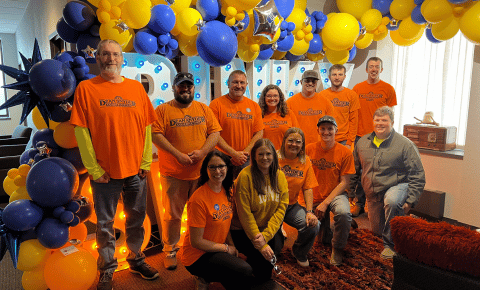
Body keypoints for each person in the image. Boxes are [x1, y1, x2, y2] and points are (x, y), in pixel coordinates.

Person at [70, 39, 159, 290]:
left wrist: (145, 161)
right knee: (105, 224)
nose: (111, 58)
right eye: (105, 54)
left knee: (136, 219)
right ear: (97, 58)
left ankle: (136, 259)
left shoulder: (136, 89)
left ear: (122, 59)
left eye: (115, 54)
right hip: (105, 173)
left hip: (136, 172)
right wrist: (94, 169)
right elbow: (81, 132)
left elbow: (147, 127)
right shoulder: (86, 89)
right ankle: (107, 268)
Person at [151, 72, 221, 270]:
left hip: (201, 175)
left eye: (189, 85)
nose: (185, 89)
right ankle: (170, 250)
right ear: (174, 88)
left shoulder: (203, 109)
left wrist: (203, 152)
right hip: (174, 174)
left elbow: (215, 133)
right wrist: (177, 155)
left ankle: (196, 245)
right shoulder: (163, 110)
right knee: (173, 215)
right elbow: (155, 135)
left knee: (200, 215)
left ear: (193, 88)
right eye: (181, 85)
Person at [349, 106, 425, 259]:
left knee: (391, 201)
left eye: (384, 120)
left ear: (392, 122)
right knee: (377, 232)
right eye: (377, 120)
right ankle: (406, 223)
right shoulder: (362, 143)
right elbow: (354, 170)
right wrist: (350, 192)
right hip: (373, 193)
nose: (380, 123)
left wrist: (410, 201)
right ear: (373, 122)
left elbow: (417, 174)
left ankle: (391, 246)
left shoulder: (405, 145)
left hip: (397, 186)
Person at [179, 150, 255, 290]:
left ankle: (212, 276)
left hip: (217, 248)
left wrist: (233, 248)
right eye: (212, 167)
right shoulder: (198, 199)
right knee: (245, 270)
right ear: (206, 170)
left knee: (248, 271)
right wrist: (227, 249)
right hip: (197, 257)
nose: (217, 171)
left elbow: (225, 224)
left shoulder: (227, 191)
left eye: (221, 166)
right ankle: (203, 276)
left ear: (227, 167)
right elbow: (196, 242)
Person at [231, 138, 289, 282]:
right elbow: (245, 214)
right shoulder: (245, 176)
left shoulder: (279, 176)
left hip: (267, 229)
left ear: (273, 156)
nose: (265, 158)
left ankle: (255, 255)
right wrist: (261, 243)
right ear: (254, 156)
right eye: (260, 154)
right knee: (255, 272)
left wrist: (267, 234)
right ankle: (243, 257)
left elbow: (282, 208)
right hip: (244, 230)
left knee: (264, 273)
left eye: (268, 154)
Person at [305, 115, 355, 266]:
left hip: (336, 195)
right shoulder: (309, 149)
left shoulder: (345, 152)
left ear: (336, 130)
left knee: (344, 213)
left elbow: (344, 182)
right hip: (313, 194)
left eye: (330, 129)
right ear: (318, 131)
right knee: (314, 231)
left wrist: (326, 203)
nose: (326, 132)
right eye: (323, 129)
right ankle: (325, 230)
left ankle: (338, 248)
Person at [351, 57, 397, 217]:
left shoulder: (388, 89)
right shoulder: (357, 88)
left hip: (381, 137)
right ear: (366, 69)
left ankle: (377, 206)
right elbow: (354, 113)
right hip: (360, 136)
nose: (374, 69)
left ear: (381, 70)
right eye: (371, 66)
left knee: (378, 172)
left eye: (377, 66)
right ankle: (359, 204)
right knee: (359, 172)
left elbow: (391, 115)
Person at [209, 70, 264, 178]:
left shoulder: (254, 106)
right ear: (228, 84)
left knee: (243, 190)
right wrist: (233, 153)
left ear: (246, 85)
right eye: (235, 82)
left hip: (246, 158)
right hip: (221, 157)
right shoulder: (216, 104)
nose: (239, 86)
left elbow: (259, 132)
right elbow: (214, 133)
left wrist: (245, 153)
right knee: (222, 191)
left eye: (242, 82)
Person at [278, 127, 320, 267]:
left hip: (291, 206)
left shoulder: (305, 161)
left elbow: (307, 188)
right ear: (284, 141)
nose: (294, 144)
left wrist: (309, 212)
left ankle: (299, 251)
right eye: (290, 140)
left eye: (298, 142)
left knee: (313, 225)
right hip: (271, 207)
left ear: (302, 145)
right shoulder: (274, 158)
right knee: (275, 247)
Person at [286, 70, 335, 145]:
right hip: (297, 146)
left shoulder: (325, 102)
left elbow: (331, 126)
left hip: (320, 146)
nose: (310, 83)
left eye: (313, 81)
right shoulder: (290, 103)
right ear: (301, 82)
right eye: (307, 81)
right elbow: (287, 128)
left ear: (316, 83)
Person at [319, 64, 360, 150]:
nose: (337, 77)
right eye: (334, 75)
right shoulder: (322, 95)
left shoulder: (352, 95)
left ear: (344, 77)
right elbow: (318, 119)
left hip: (344, 141)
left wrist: (349, 143)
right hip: (325, 139)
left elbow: (354, 121)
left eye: (340, 74)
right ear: (329, 77)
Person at [259, 84, 299, 150]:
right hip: (265, 155)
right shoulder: (259, 115)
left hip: (285, 155)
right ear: (264, 98)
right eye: (269, 96)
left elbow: (297, 135)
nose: (272, 98)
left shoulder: (289, 113)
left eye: (275, 96)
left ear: (280, 98)